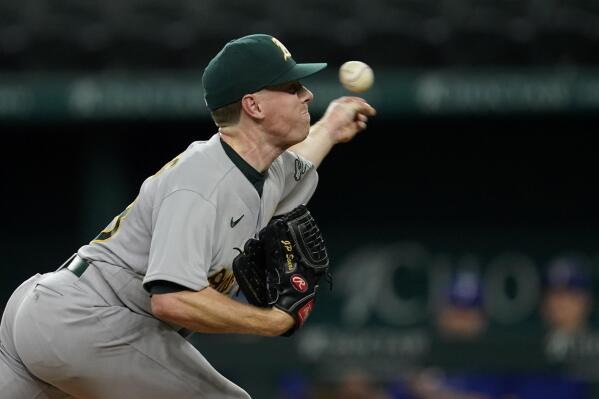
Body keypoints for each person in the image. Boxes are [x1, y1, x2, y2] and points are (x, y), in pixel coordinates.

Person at [0, 33, 376, 399]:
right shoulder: (201, 183)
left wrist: (330, 126)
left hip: (51, 312)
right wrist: (274, 322)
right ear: (254, 106)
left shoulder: (265, 168)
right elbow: (173, 299)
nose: (307, 95)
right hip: (87, 320)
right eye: (292, 87)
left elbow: (302, 161)